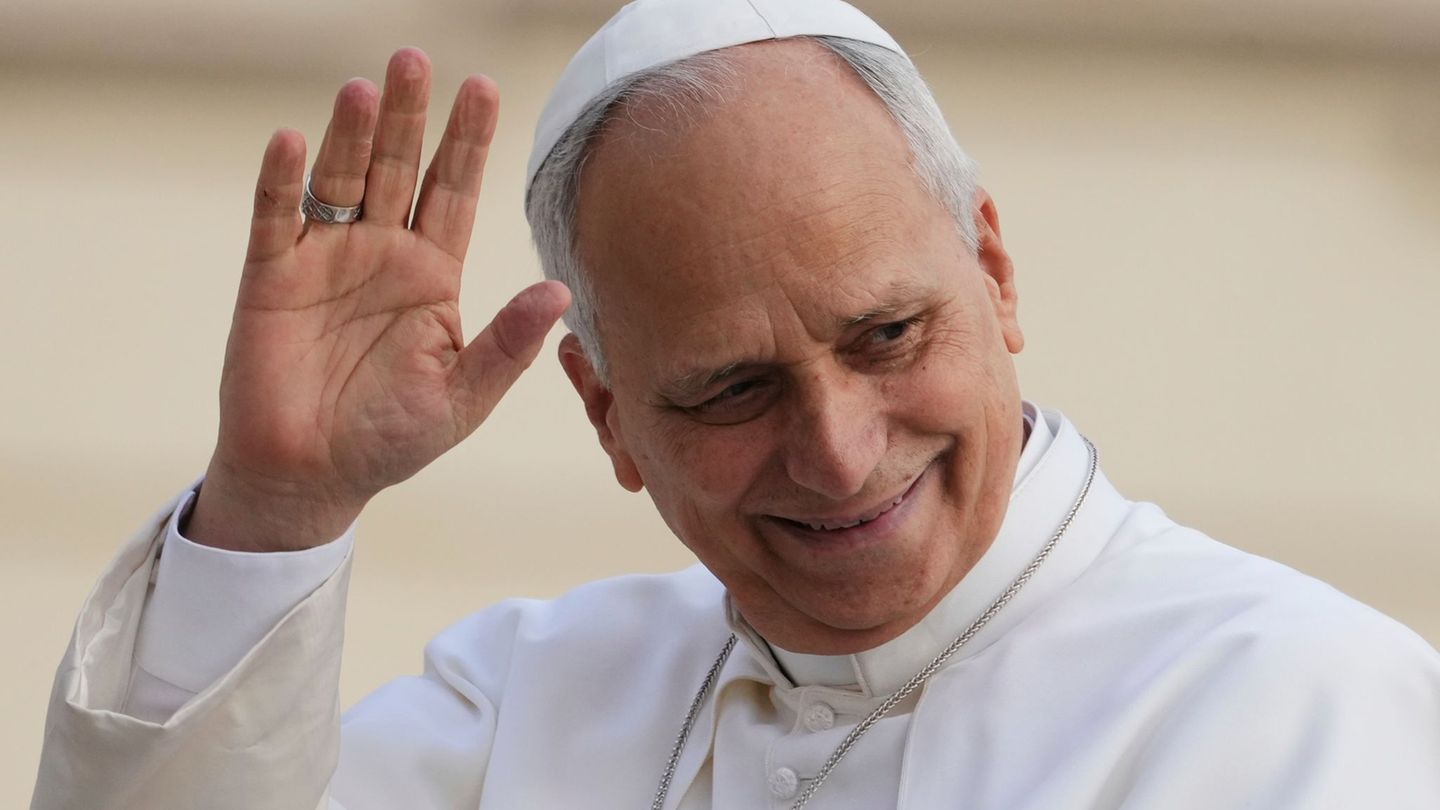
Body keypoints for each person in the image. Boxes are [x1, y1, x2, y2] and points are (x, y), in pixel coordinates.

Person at [30, 0, 1440, 808]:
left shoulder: (1296, 704)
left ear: (996, 273)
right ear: (607, 418)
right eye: (732, 390)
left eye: (887, 335)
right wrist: (276, 509)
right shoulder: (525, 710)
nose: (838, 451)